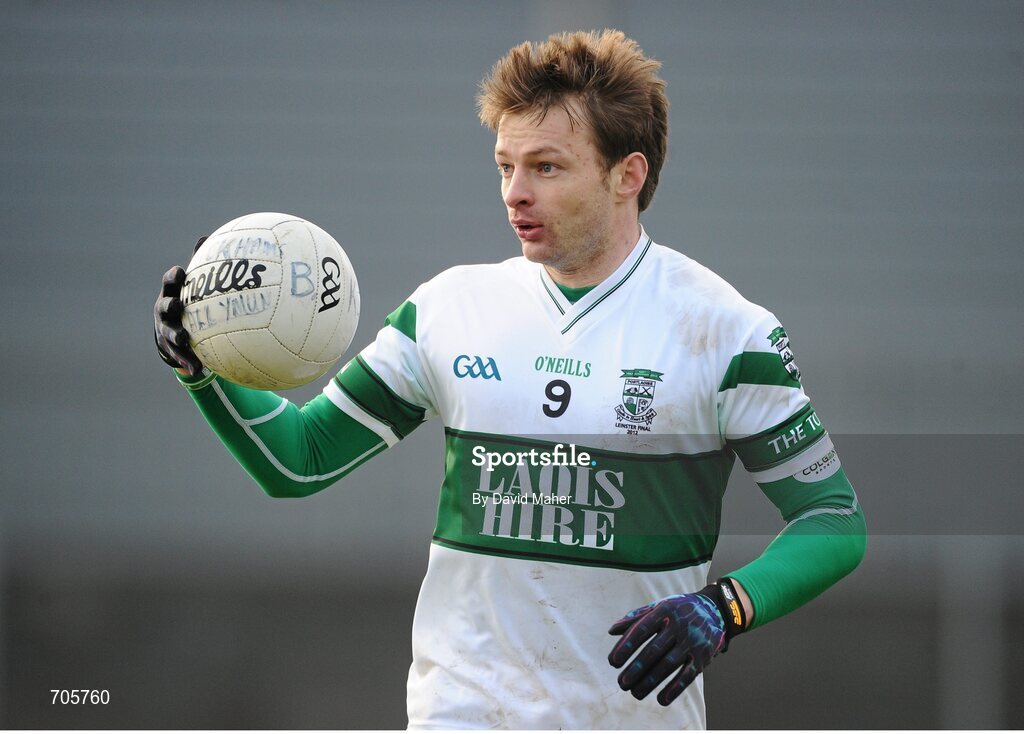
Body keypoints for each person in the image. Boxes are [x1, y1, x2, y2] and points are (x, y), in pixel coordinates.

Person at [154, 30, 865, 729]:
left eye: (546, 167)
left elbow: (833, 520)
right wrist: (204, 370)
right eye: (505, 166)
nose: (515, 194)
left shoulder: (726, 332)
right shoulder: (446, 310)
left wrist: (724, 606)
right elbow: (300, 461)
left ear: (627, 175)